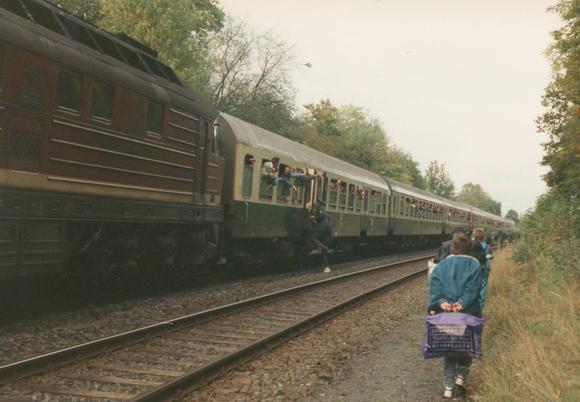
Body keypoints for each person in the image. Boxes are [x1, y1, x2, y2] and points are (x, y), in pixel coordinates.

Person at [428, 234, 483, 398]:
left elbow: (435, 284)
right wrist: (462, 303)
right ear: (469, 249)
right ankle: (461, 378)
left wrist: (442, 302)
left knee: (449, 348)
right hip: (468, 312)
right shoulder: (475, 264)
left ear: (452, 248)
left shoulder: (442, 264)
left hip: (447, 313)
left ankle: (448, 387)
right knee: (466, 345)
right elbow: (473, 289)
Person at [306, 200, 333, 272]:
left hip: (322, 229)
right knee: (323, 252)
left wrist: (314, 218)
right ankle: (326, 267)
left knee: (312, 238)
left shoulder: (321, 208)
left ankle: (322, 247)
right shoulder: (327, 214)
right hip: (328, 233)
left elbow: (321, 216)